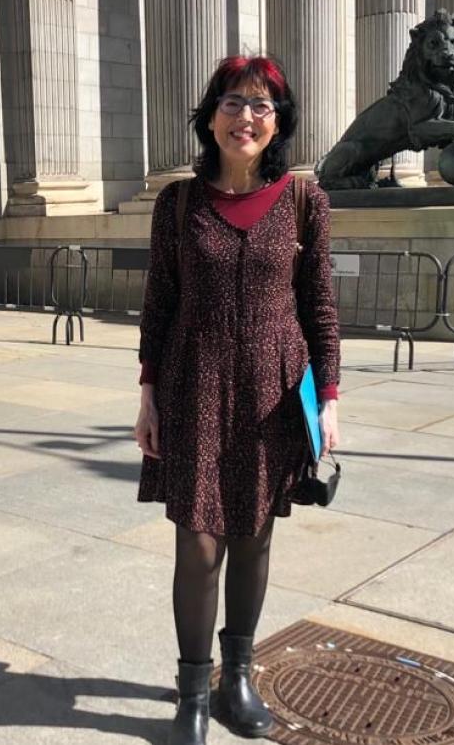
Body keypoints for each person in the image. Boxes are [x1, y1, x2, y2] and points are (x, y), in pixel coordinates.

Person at [133, 55, 341, 745]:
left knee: (253, 537)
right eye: (232, 102)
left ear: (278, 122)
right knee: (197, 545)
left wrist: (329, 399)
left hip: (273, 393)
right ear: (210, 115)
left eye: (261, 106)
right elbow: (159, 302)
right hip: (193, 383)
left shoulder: (304, 200)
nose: (245, 117)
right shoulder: (178, 203)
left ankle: (237, 676)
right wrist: (148, 395)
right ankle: (193, 691)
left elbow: (319, 306)